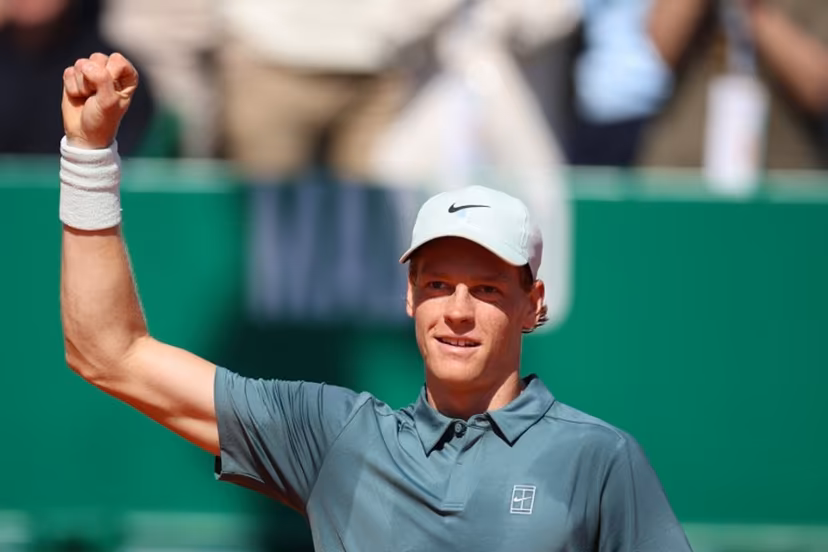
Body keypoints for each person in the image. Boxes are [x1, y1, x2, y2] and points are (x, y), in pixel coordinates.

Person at [59, 52, 693, 551]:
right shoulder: (335, 438)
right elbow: (109, 353)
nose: (459, 311)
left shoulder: (599, 458)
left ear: (534, 304)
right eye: (439, 285)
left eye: (489, 289)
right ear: (410, 296)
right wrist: (88, 156)